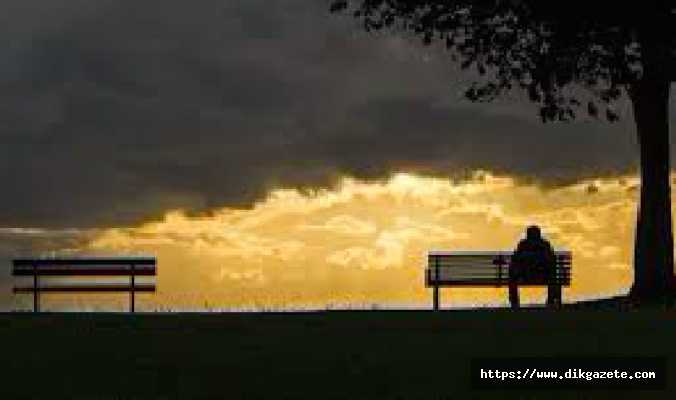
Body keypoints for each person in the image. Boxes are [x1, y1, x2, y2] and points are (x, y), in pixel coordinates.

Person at [509, 225, 559, 309]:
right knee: (552, 276)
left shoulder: (522, 244)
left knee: (512, 276)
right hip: (543, 276)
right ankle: (550, 300)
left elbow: (515, 260)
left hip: (525, 276)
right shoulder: (545, 244)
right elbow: (552, 261)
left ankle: (515, 302)